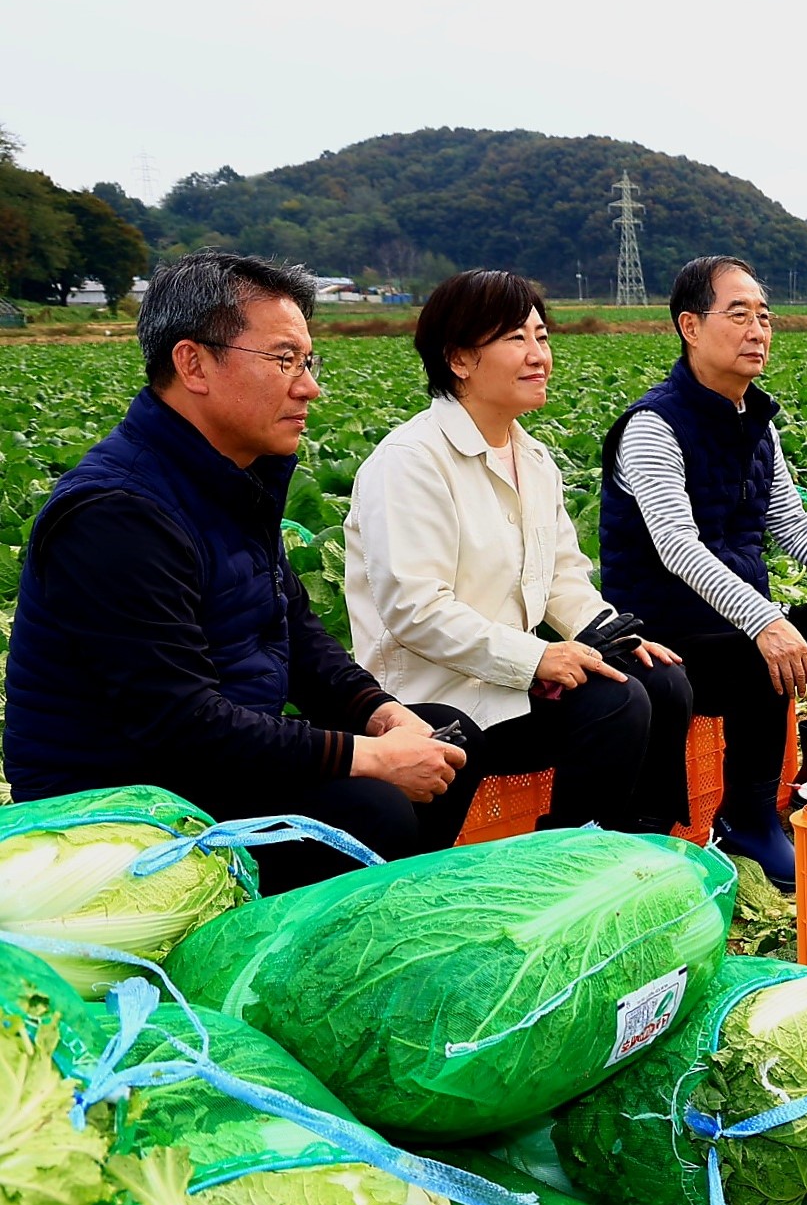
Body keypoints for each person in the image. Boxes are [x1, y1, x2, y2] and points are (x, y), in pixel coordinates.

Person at [3, 251, 472, 891]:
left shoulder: (231, 479)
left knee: (443, 741)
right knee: (374, 805)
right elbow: (179, 721)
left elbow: (298, 633)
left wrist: (378, 713)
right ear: (192, 363)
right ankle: (288, 968)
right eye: (284, 360)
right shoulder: (117, 513)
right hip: (116, 814)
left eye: (308, 362)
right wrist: (366, 758)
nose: (308, 386)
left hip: (204, 769)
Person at [597, 255, 807, 889]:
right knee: (760, 658)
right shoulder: (651, 428)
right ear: (690, 326)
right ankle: (746, 822)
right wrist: (766, 619)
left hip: (741, 626)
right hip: (667, 641)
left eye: (765, 316)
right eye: (739, 314)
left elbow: (792, 529)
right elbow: (676, 545)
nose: (758, 330)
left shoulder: (757, 427)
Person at [346, 270, 694, 835]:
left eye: (542, 336)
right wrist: (536, 659)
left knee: (660, 679)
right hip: (437, 695)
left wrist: (614, 635)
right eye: (516, 339)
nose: (539, 356)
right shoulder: (411, 461)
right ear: (459, 359)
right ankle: (565, 857)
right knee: (617, 703)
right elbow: (416, 609)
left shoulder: (533, 458)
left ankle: (639, 842)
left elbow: (562, 575)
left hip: (513, 685)